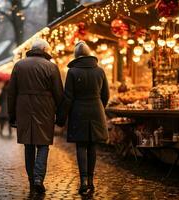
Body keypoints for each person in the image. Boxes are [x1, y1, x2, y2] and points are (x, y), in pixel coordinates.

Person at [8, 39, 63, 193]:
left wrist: (12, 115)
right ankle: (38, 178)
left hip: (23, 109)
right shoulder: (51, 67)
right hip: (45, 109)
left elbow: (11, 93)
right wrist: (61, 116)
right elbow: (59, 94)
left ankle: (32, 181)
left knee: (28, 145)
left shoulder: (19, 66)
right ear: (45, 50)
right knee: (43, 144)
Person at [56, 41, 110, 194]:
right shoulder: (100, 71)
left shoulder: (72, 72)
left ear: (76, 56)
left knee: (81, 146)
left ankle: (84, 180)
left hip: (78, 111)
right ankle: (91, 180)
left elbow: (68, 97)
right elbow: (106, 95)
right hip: (96, 110)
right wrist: (99, 107)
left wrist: (61, 118)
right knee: (93, 146)